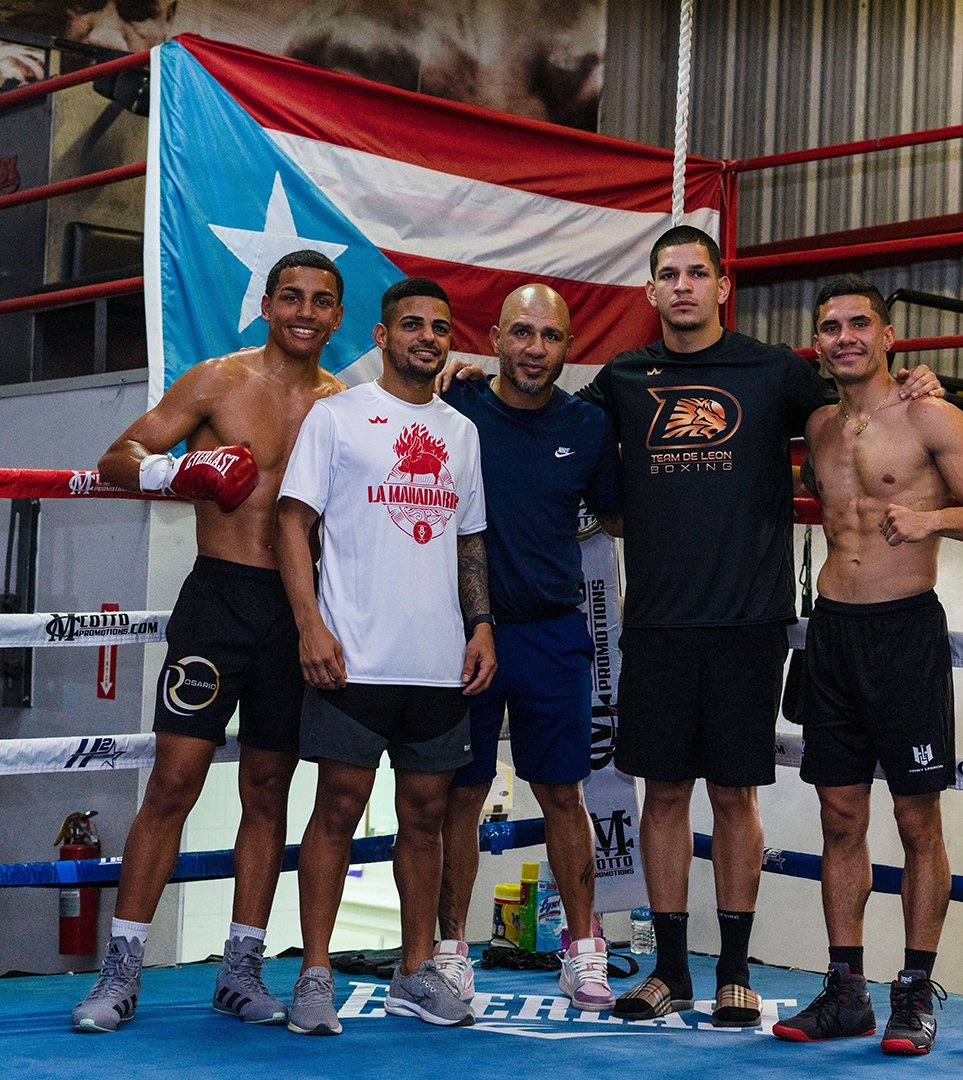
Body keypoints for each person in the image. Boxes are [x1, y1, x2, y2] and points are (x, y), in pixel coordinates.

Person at [574, 225, 944, 1027]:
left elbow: (860, 410)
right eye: (667, 274)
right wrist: (469, 389)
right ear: (651, 291)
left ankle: (734, 970)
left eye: (695, 273)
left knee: (734, 794)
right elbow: (547, 427)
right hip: (660, 620)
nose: (681, 286)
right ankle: (670, 969)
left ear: (720, 285)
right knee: (664, 791)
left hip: (748, 617)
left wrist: (917, 383)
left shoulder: (775, 371)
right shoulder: (626, 377)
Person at [71, 249, 348, 1032]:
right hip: (217, 601)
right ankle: (118, 976)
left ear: (336, 316)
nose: (304, 310)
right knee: (173, 782)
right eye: (290, 296)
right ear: (266, 305)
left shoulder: (343, 405)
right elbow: (118, 456)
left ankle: (241, 972)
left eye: (320, 300)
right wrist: (173, 475)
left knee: (268, 792)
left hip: (297, 607)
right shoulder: (217, 380)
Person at [771, 275, 963, 1054]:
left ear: (887, 337)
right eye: (830, 327)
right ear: (817, 344)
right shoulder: (815, 426)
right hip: (834, 634)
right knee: (838, 816)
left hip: (904, 634)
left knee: (917, 819)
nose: (843, 336)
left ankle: (913, 988)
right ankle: (847, 990)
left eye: (858, 324)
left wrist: (934, 516)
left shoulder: (931, 415)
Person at [276, 276, 496, 1035]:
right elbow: (292, 524)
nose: (427, 337)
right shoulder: (337, 417)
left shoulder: (461, 431)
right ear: (381, 335)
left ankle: (412, 972)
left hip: (436, 661)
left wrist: (481, 623)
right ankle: (313, 973)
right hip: (353, 656)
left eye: (439, 326)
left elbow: (469, 537)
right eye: (411, 324)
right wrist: (309, 625)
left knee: (428, 816)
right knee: (335, 808)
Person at [433, 284, 622, 1011]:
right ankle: (451, 950)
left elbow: (620, 513)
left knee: (563, 794)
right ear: (496, 337)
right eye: (521, 333)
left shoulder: (589, 425)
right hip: (463, 630)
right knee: (461, 794)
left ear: (567, 345)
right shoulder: (460, 408)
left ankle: (584, 950)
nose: (534, 349)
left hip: (552, 630)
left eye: (549, 336)